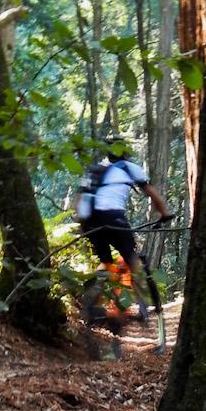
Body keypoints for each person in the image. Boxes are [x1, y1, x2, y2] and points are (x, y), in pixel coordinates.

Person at [77, 138, 172, 352]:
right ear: (124, 153)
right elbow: (153, 195)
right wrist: (164, 213)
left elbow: (79, 201)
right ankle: (135, 305)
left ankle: (95, 300)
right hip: (114, 218)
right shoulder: (130, 168)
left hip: (91, 221)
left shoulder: (96, 170)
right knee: (132, 260)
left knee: (107, 262)